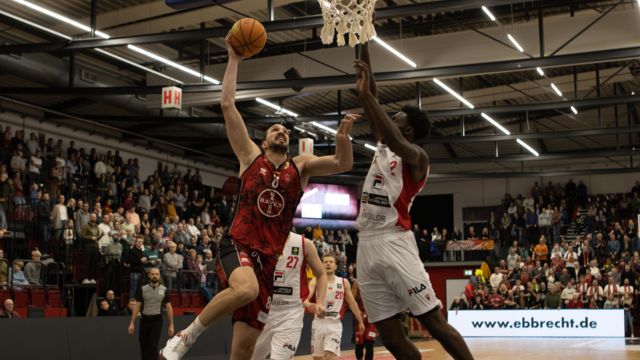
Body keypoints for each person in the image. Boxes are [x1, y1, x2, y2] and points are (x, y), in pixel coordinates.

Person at [159, 32, 356, 360]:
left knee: (244, 350)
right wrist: (234, 59)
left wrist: (342, 136)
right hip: (238, 244)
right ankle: (185, 336)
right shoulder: (250, 156)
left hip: (269, 261)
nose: (283, 131)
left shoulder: (301, 166)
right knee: (245, 287)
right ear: (264, 141)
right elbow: (226, 104)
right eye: (275, 129)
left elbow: (343, 162)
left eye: (286, 130)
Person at [353, 45, 474, 360]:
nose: (387, 122)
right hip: (365, 244)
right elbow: (374, 99)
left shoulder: (417, 157)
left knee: (434, 323)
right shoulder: (385, 144)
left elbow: (387, 126)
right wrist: (362, 39)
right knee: (392, 339)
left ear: (407, 129)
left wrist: (365, 95)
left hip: (395, 242)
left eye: (395, 120)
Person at [251, 232, 327, 360]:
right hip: (262, 311)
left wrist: (320, 302)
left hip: (291, 314)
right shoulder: (255, 241)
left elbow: (321, 274)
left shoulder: (304, 243)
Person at [309, 255, 363, 360]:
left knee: (329, 356)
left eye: (331, 262)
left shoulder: (343, 282)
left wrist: (360, 321)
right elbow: (305, 298)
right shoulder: (315, 280)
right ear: (321, 265)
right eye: (325, 262)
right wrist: (309, 305)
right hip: (318, 323)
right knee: (317, 358)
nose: (328, 264)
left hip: (334, 324)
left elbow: (352, 303)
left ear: (335, 266)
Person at [128, 268, 174, 360]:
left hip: (157, 320)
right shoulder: (143, 289)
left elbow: (169, 307)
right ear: (149, 275)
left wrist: (171, 324)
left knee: (153, 344)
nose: (155, 276)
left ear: (159, 276)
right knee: (143, 343)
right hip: (144, 320)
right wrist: (132, 322)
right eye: (153, 274)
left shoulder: (164, 290)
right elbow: (137, 306)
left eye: (157, 274)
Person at [351, 279, 376, 360]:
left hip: (372, 316)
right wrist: (357, 311)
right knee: (359, 344)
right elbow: (351, 300)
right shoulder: (357, 282)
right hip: (360, 317)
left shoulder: (376, 281)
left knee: (370, 343)